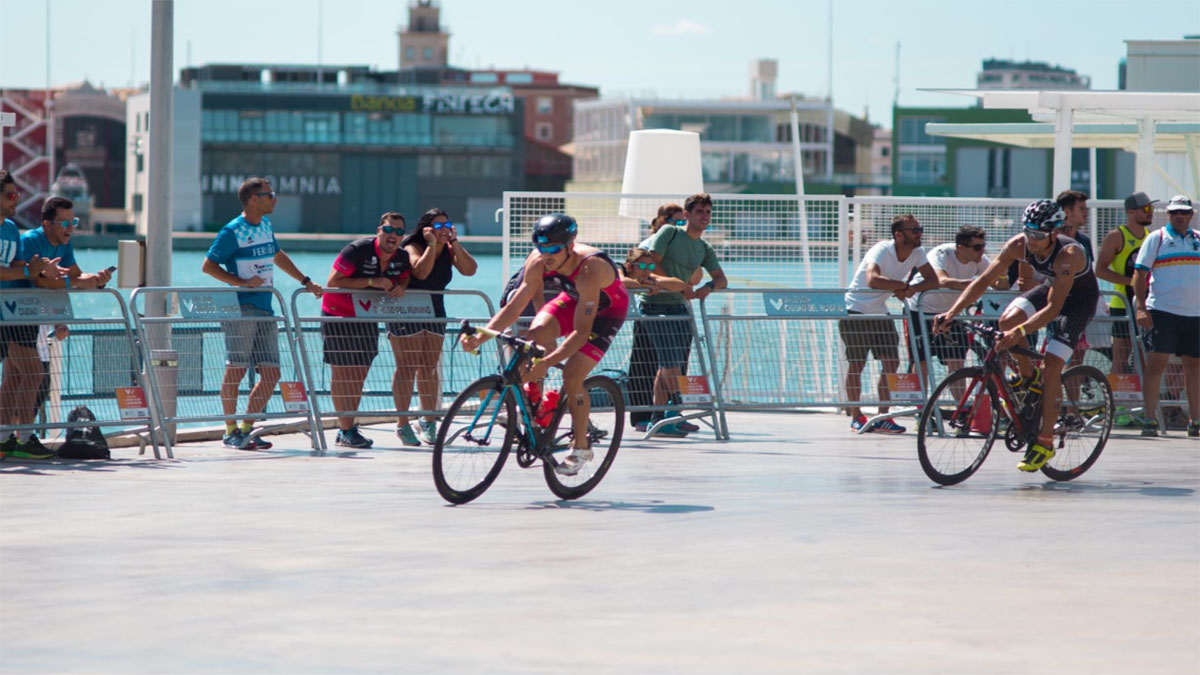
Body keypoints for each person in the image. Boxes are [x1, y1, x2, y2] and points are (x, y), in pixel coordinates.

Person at [934, 199, 1100, 471]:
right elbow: (983, 281)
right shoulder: (1018, 244)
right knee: (1006, 320)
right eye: (1027, 231)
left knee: (1051, 366)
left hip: (1077, 303)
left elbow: (1054, 309)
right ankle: (1027, 376)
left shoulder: (1069, 253)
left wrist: (1019, 332)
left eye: (1037, 235)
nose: (1030, 240)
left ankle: (1044, 441)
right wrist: (952, 312)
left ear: (1054, 232)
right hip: (1051, 288)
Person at [460, 213, 629, 476]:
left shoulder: (589, 268)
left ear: (570, 246)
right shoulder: (538, 260)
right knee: (531, 337)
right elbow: (515, 307)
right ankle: (534, 408)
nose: (546, 254)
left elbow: (583, 332)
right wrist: (482, 335)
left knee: (572, 376)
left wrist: (551, 359)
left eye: (552, 249)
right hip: (572, 299)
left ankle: (581, 447)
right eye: (541, 248)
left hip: (605, 314)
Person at [202, 177, 323, 450]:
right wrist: (242, 283)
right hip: (241, 308)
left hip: (266, 307)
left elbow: (277, 256)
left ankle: (246, 429)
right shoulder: (232, 231)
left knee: (272, 373)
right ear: (253, 200)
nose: (275, 199)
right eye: (270, 195)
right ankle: (230, 430)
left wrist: (305, 281)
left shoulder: (266, 225)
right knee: (236, 369)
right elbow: (208, 266)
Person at [319, 212, 411, 449]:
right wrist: (372, 282)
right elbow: (333, 281)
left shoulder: (401, 257)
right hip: (337, 314)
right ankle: (345, 428)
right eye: (389, 230)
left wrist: (400, 287)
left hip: (366, 317)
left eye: (400, 232)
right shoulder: (356, 250)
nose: (394, 235)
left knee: (359, 374)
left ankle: (348, 428)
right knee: (341, 374)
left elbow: (404, 279)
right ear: (379, 230)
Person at [640, 193, 727, 436]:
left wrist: (706, 288)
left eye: (708, 212)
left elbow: (721, 279)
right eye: (699, 212)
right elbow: (651, 263)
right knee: (670, 364)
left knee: (668, 365)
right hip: (654, 304)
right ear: (687, 215)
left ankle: (659, 418)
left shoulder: (704, 247)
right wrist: (676, 283)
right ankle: (675, 411)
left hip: (680, 307)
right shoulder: (669, 232)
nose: (705, 217)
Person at [389, 207, 477, 446]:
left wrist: (454, 241)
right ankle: (402, 423)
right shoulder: (413, 246)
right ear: (426, 229)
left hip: (435, 310)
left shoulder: (449, 248)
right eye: (438, 226)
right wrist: (431, 245)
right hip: (407, 310)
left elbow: (470, 270)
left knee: (429, 367)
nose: (443, 230)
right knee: (407, 367)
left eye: (447, 226)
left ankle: (428, 420)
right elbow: (421, 271)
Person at [842, 214, 938, 433]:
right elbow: (872, 279)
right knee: (857, 365)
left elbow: (933, 280)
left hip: (880, 312)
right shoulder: (881, 249)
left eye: (919, 229)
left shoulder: (917, 252)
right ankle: (856, 415)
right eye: (914, 230)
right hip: (855, 309)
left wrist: (911, 289)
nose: (919, 234)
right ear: (898, 234)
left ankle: (883, 416)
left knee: (891, 362)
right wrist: (902, 285)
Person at [0, 173, 67, 458]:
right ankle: (21, 438)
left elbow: (16, 269)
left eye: (17, 194)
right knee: (30, 372)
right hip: (8, 313)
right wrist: (31, 271)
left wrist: (38, 269)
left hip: (9, 311)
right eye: (10, 195)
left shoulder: (12, 229)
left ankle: (8, 440)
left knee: (19, 375)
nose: (16, 199)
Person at [627, 203, 703, 434]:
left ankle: (673, 412)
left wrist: (682, 280)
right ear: (662, 222)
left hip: (678, 309)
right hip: (652, 310)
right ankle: (643, 414)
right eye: (676, 222)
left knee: (677, 363)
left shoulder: (686, 246)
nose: (681, 227)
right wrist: (660, 281)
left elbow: (694, 277)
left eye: (683, 222)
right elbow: (639, 274)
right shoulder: (649, 246)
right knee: (645, 362)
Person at [1131, 195, 1200, 438]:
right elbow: (1139, 274)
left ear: (1191, 214)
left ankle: (1196, 421)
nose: (1178, 216)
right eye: (1174, 212)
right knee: (1156, 364)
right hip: (1163, 311)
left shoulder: (1198, 239)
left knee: (1194, 366)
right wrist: (1141, 307)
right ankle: (1150, 419)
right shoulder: (1157, 238)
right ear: (1169, 215)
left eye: (1183, 212)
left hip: (1195, 313)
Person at [905, 225, 1001, 392]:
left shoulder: (980, 260)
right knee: (921, 361)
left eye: (983, 246)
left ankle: (961, 410)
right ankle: (921, 409)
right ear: (961, 248)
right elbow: (940, 280)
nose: (982, 251)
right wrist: (975, 286)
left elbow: (998, 283)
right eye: (978, 247)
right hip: (920, 309)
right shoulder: (942, 253)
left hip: (950, 313)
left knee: (957, 362)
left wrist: (1004, 270)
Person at [1096, 192, 1154, 380]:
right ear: (1131, 212)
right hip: (1123, 304)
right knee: (1121, 354)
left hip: (1145, 304)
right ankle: (1118, 401)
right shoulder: (1117, 236)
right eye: (1146, 209)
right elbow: (1100, 270)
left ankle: (1144, 402)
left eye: (1151, 208)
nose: (1150, 212)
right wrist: (1132, 282)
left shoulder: (1150, 237)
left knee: (1144, 354)